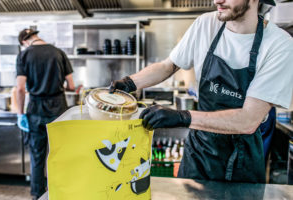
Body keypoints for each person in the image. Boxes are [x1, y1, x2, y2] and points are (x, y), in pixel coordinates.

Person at [110, 0, 293, 183]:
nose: (217, 1)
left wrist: (183, 117)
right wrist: (129, 83)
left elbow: (248, 119)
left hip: (241, 162)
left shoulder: (279, 45)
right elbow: (169, 65)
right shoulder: (206, 24)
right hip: (198, 153)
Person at [16, 28, 75, 199]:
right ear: (36, 36)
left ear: (25, 42)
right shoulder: (59, 53)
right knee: (61, 154)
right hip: (58, 109)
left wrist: (20, 114)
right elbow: (71, 85)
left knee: (37, 156)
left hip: (35, 110)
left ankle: (38, 195)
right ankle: (61, 193)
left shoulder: (24, 55)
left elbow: (20, 88)